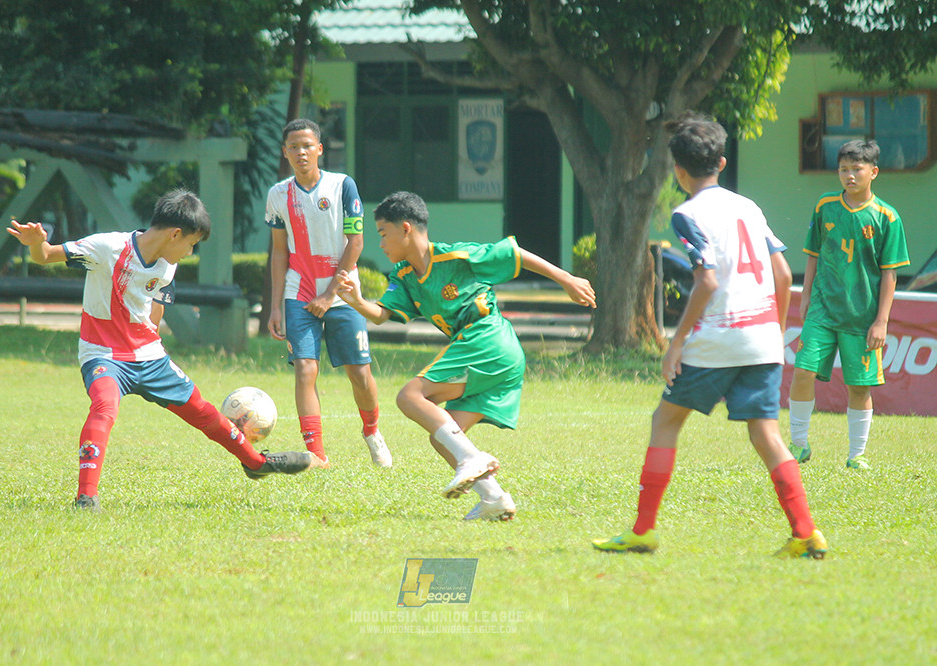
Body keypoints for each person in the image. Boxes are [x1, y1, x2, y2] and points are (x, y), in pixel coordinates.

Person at [592, 113, 828, 558]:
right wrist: (773, 331)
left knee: (665, 421)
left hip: (719, 339)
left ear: (678, 171)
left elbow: (708, 282)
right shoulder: (748, 206)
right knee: (766, 433)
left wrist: (676, 343)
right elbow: (781, 272)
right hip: (762, 339)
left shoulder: (687, 213)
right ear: (721, 162)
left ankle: (643, 530)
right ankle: (805, 532)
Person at [8, 190, 314, 512]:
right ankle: (86, 497)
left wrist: (152, 345)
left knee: (203, 410)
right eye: (191, 244)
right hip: (104, 354)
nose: (190, 251)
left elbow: (155, 311)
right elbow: (44, 256)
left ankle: (255, 463)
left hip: (150, 357)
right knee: (104, 407)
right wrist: (34, 242)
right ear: (175, 234)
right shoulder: (108, 248)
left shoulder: (168, 264)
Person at [336, 191, 595, 521]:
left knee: (409, 397)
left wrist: (567, 278)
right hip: (491, 354)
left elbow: (514, 254)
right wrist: (356, 299)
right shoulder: (404, 277)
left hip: (488, 338)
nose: (381, 244)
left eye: (383, 234)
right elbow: (381, 314)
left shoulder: (456, 256)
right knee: (444, 441)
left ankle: (474, 463)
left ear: (405, 229)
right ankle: (494, 498)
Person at [265, 118, 391, 468]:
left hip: (343, 294)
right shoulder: (278, 195)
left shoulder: (342, 186)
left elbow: (356, 241)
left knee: (359, 373)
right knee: (305, 369)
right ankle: (317, 453)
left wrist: (330, 293)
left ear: (320, 149)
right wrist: (275, 307)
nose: (301, 152)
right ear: (285, 152)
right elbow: (279, 252)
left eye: (307, 145)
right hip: (298, 291)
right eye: (293, 146)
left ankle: (371, 431)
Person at [787, 139, 909, 471]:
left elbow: (890, 275)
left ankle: (857, 455)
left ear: (874, 172)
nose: (849, 176)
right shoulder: (824, 206)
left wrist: (881, 321)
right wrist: (806, 296)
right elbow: (812, 256)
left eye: (857, 169)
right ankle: (798, 444)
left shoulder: (887, 217)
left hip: (862, 317)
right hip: (823, 312)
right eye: (843, 169)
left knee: (858, 386)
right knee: (802, 371)